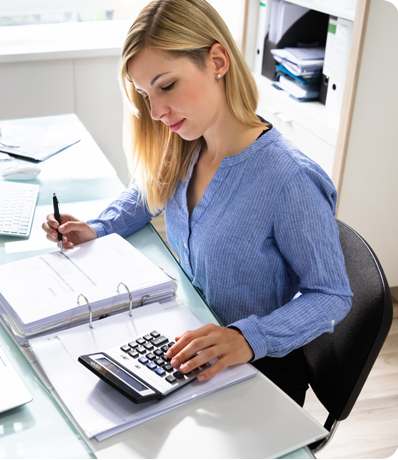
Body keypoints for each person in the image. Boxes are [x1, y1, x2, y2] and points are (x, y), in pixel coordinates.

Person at [42, 0, 352, 406]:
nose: (155, 111)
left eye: (166, 85)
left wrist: (245, 338)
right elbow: (146, 192)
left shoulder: (288, 179)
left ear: (217, 61)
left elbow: (331, 295)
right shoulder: (188, 144)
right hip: (189, 347)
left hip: (256, 371)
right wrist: (97, 227)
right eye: (144, 94)